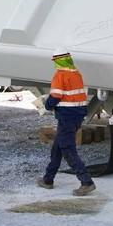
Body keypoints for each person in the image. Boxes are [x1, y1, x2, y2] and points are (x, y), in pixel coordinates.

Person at [38, 51, 95, 196]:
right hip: (77, 115)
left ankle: (86, 182)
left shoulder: (60, 75)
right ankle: (48, 179)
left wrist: (47, 105)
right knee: (57, 148)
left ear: (57, 61)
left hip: (66, 117)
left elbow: (56, 95)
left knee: (67, 149)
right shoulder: (77, 74)